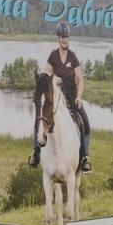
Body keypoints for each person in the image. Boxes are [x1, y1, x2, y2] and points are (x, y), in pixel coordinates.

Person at [36, 20, 91, 172]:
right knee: (40, 120)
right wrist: (53, 78)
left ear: (69, 38)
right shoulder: (53, 56)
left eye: (66, 36)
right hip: (56, 98)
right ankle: (36, 152)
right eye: (62, 36)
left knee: (86, 123)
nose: (64, 39)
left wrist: (79, 97)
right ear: (58, 38)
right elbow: (44, 76)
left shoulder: (73, 57)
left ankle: (85, 157)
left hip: (72, 97)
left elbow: (80, 80)